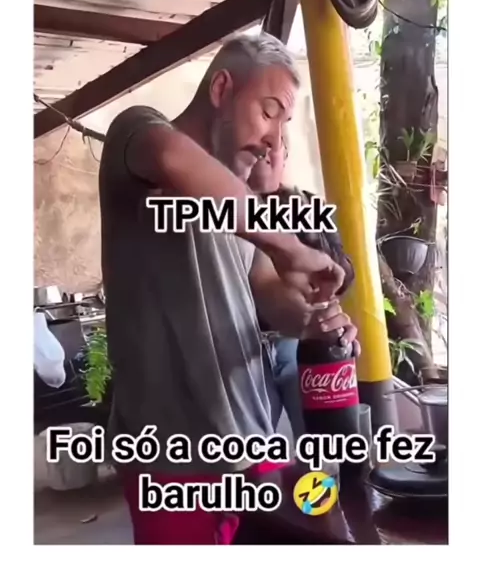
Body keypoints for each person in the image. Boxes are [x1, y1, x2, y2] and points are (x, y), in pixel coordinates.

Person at [99, 33, 357, 545]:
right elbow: (171, 155)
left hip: (255, 448)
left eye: (284, 124)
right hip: (171, 460)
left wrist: (314, 319)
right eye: (269, 112)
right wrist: (290, 247)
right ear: (221, 88)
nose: (274, 139)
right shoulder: (138, 135)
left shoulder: (245, 203)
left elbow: (270, 294)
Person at [249, 140, 355, 440]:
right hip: (243, 344)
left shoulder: (306, 205)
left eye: (278, 145)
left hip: (296, 342)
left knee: (321, 439)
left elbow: (344, 271)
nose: (267, 153)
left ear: (285, 155)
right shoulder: (219, 212)